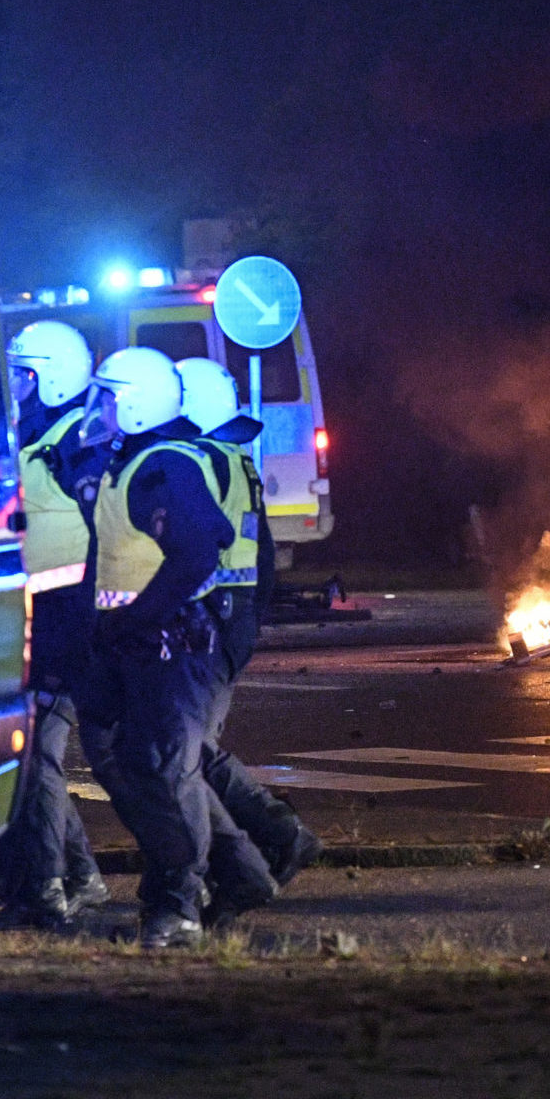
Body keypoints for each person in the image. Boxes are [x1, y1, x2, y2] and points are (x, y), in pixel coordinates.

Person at [77, 347, 276, 948]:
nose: (101, 410)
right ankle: (234, 878)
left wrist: (141, 615)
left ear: (135, 404)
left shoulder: (164, 466)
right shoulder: (137, 461)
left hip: (170, 648)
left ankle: (179, 908)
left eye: (110, 398)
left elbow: (201, 547)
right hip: (135, 648)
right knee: (145, 766)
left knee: (166, 773)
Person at [172, 357, 323, 918]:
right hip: (224, 627)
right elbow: (258, 561)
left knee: (185, 758)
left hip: (205, 630)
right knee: (190, 754)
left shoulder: (204, 464)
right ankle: (266, 846)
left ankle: (271, 843)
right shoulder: (234, 461)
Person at [0, 320, 112, 929]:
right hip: (39, 619)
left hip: (68, 622)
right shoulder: (36, 434)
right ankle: (84, 876)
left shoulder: (76, 444)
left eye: (22, 373)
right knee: (33, 755)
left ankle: (45, 890)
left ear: (49, 376)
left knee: (38, 756)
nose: (11, 382)